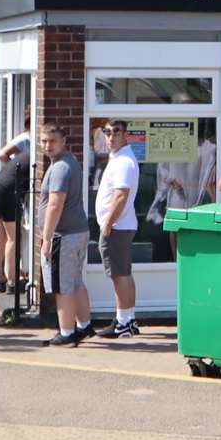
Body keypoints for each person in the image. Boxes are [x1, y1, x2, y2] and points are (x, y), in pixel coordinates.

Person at [37, 124, 91, 347]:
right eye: (43, 141)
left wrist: (47, 238)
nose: (47, 146)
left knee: (63, 287)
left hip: (64, 236)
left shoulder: (60, 168)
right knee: (76, 283)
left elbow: (55, 204)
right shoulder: (70, 161)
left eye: (52, 141)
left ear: (63, 141)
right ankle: (84, 326)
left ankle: (67, 333)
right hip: (77, 233)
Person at [94, 120, 141, 339]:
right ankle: (129, 319)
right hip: (121, 225)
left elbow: (121, 195)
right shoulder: (120, 158)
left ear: (126, 135)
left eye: (116, 132)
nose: (111, 137)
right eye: (107, 132)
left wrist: (108, 224)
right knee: (124, 273)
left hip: (117, 226)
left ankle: (123, 322)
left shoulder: (123, 161)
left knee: (119, 275)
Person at [0, 111, 32, 299]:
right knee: (13, 237)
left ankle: (0, 278)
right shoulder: (30, 145)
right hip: (8, 191)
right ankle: (12, 283)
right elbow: (1, 154)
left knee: (0, 236)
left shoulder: (24, 151)